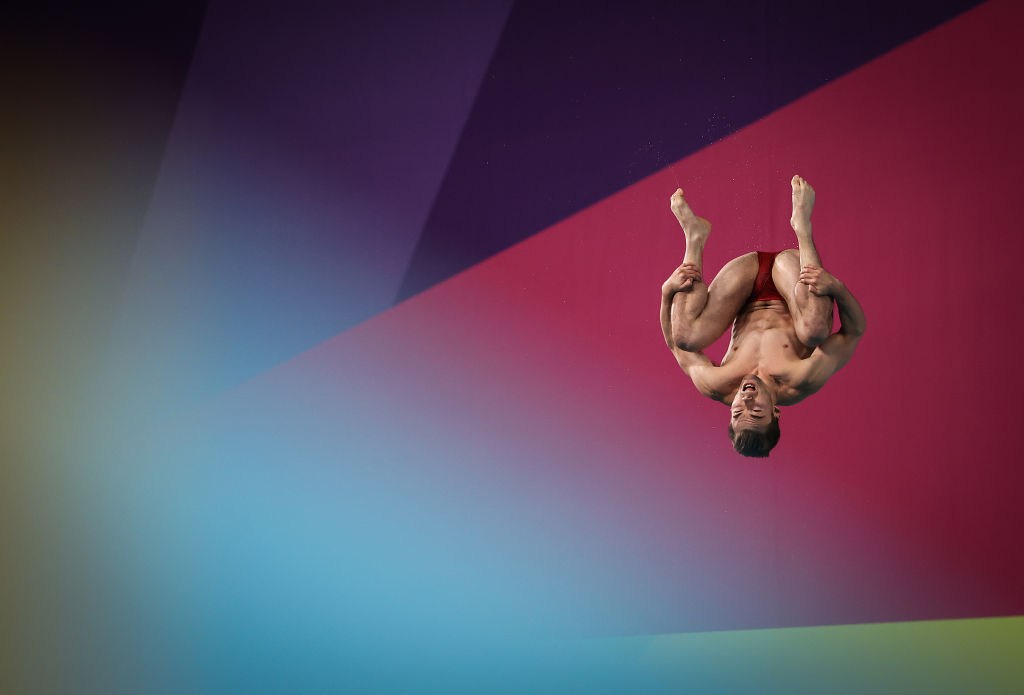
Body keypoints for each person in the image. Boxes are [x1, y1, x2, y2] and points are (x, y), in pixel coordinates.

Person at [659, 175, 866, 457]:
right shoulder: (801, 380)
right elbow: (854, 331)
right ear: (775, 412)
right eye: (756, 412)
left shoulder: (716, 386)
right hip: (793, 281)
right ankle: (802, 227)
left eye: (738, 412)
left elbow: (674, 345)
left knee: (686, 337)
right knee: (814, 331)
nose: (746, 401)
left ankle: (694, 237)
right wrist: (837, 288)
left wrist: (667, 291)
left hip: (744, 280)